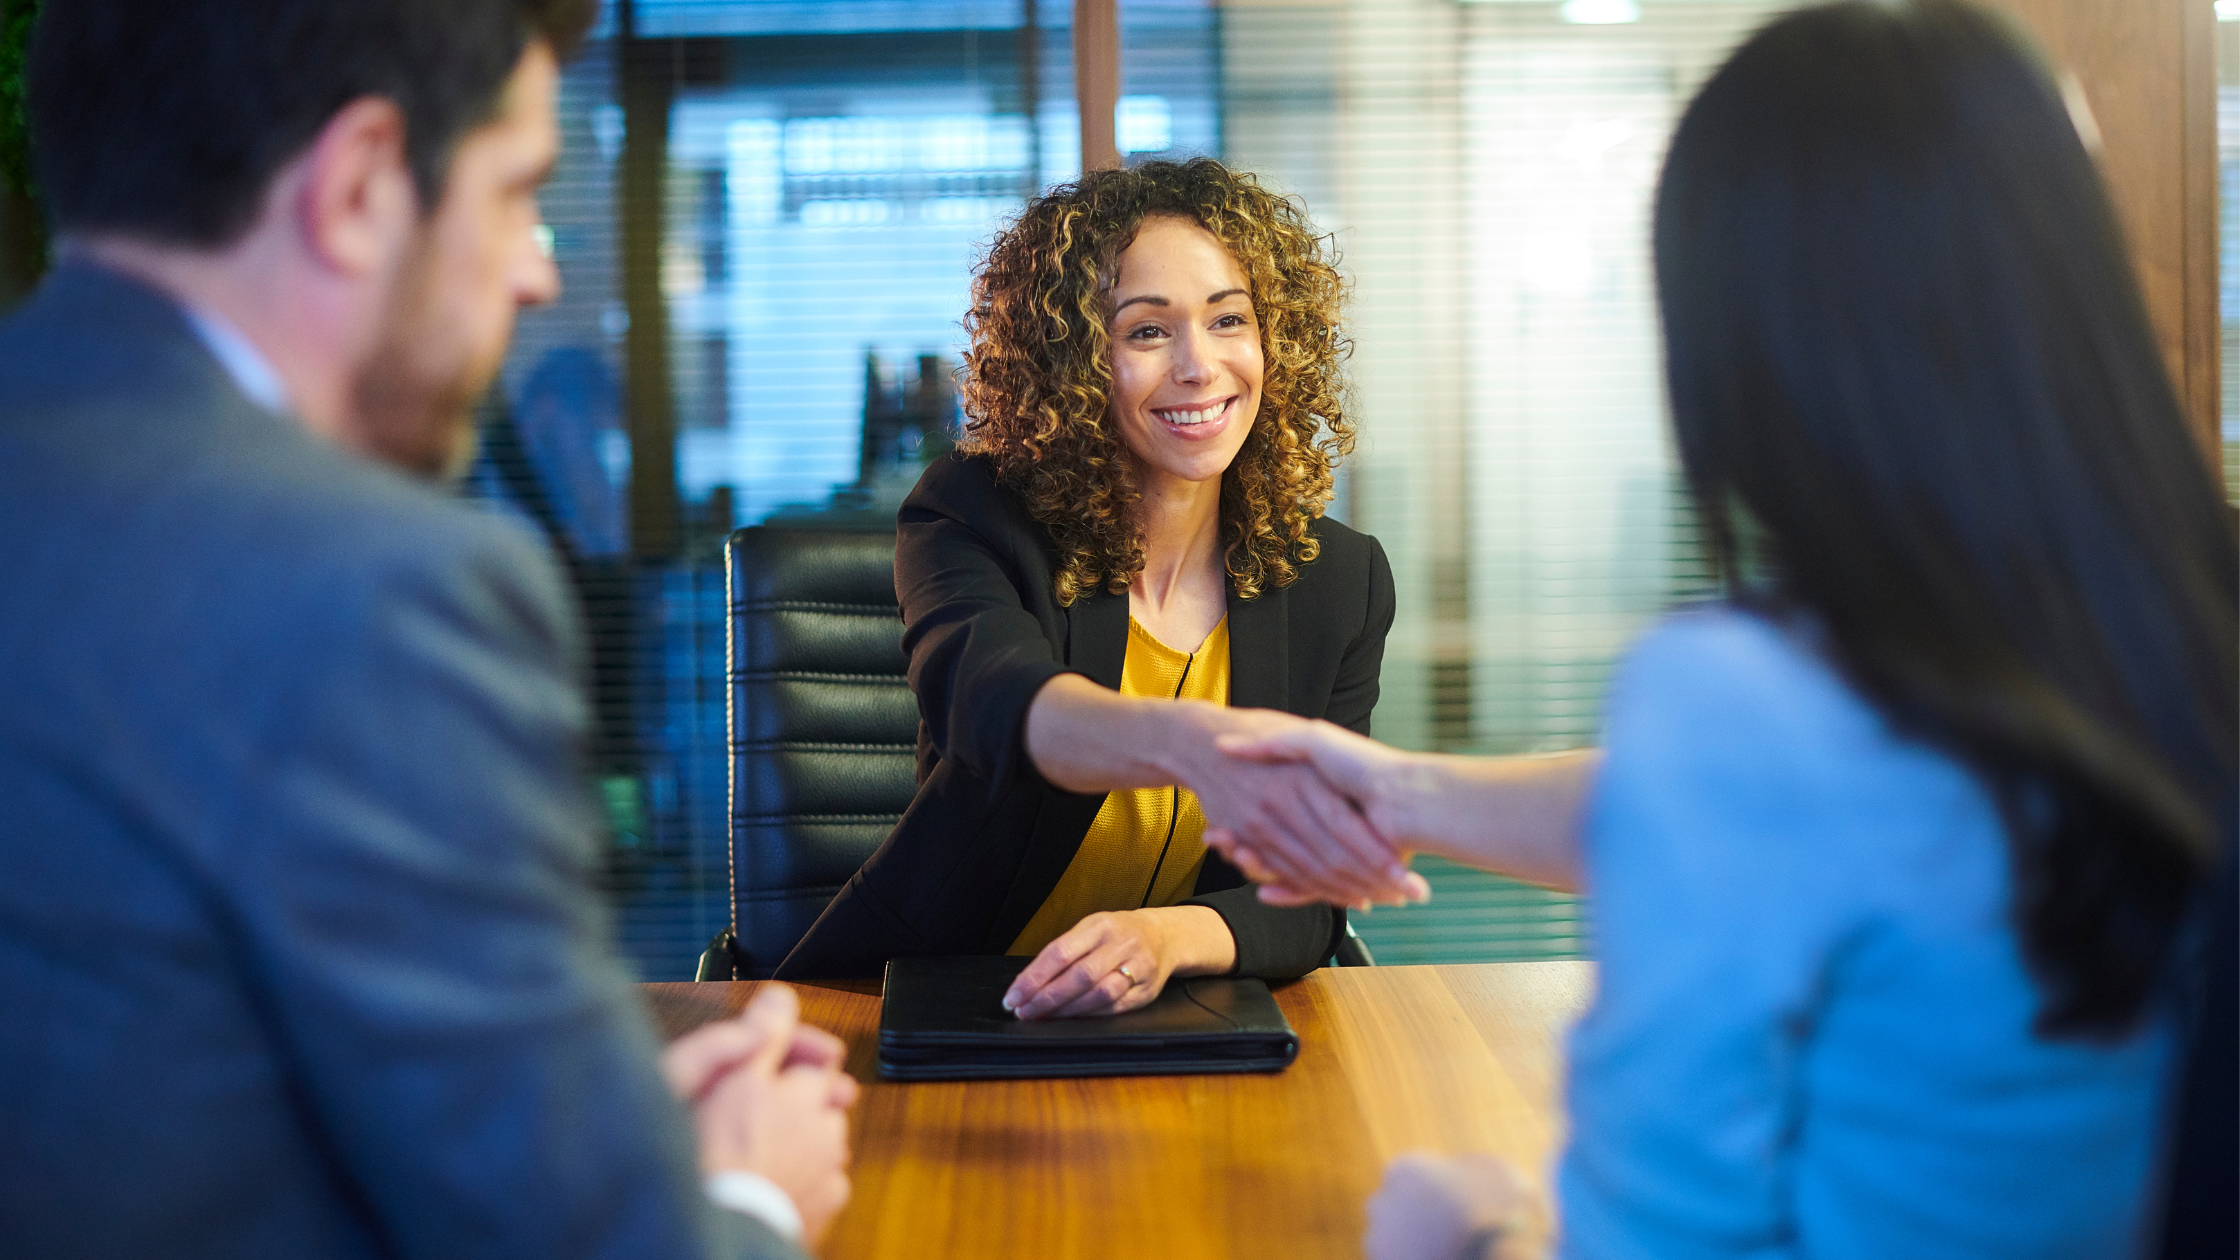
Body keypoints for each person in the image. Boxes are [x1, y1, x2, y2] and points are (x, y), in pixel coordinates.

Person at [1212, 2, 2238, 1256]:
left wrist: (1458, 1236)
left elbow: (1654, 1237)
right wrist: (1407, 792)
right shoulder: (2158, 625)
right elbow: (1818, 811)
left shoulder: (1753, 697)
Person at [0, 3, 855, 1257]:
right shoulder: (369, 591)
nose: (540, 269)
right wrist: (741, 1198)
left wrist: (572, 1129)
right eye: (517, 195)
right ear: (355, 189)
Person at [777, 158, 1425, 1018]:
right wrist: (1190, 743)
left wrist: (1166, 938)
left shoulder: (1338, 582)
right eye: (1147, 332)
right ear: (1074, 362)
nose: (1200, 366)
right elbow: (998, 706)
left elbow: (1309, 897)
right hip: (943, 995)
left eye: (1229, 319)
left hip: (1176, 1012)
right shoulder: (971, 516)